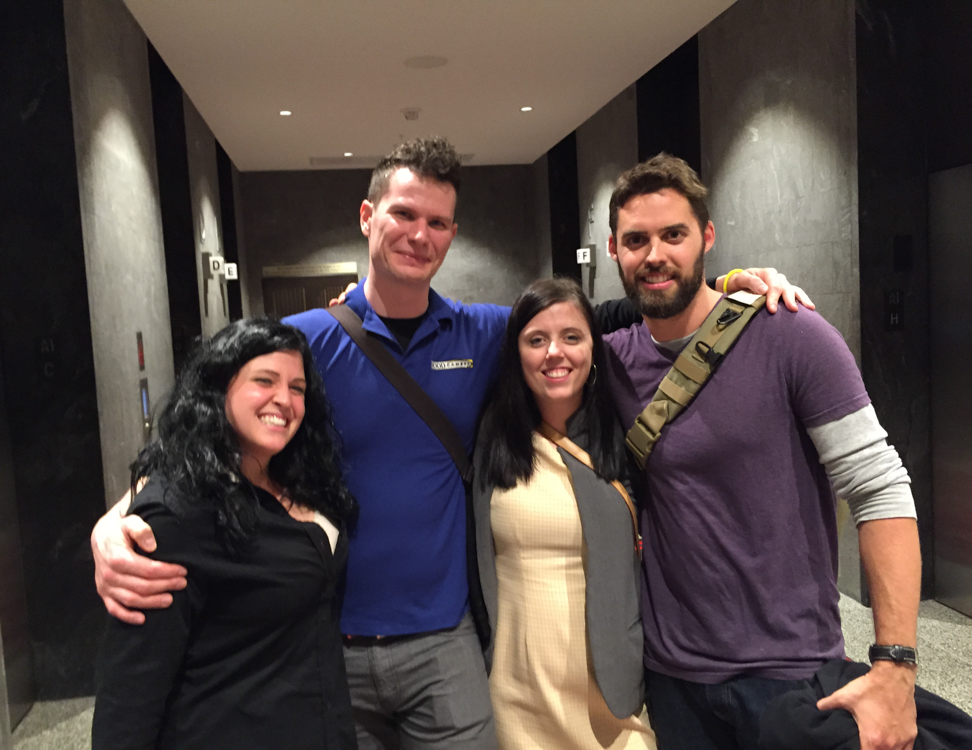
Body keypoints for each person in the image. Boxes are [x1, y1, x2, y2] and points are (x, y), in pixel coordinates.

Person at [89, 137, 808, 750]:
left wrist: (731, 285)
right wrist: (121, 518)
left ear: (452, 234)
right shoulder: (303, 343)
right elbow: (200, 428)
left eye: (437, 222)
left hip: (445, 640)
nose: (419, 234)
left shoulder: (485, 333)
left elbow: (594, 317)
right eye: (403, 214)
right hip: (328, 638)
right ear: (368, 217)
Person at [602, 154, 921, 750]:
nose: (654, 255)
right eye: (636, 240)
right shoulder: (610, 360)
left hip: (791, 672)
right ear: (614, 249)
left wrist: (895, 667)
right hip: (672, 677)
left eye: (674, 235)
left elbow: (879, 488)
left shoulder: (791, 334)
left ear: (707, 237)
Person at [91, 318, 358, 750]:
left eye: (297, 388)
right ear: (218, 390)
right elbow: (129, 697)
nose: (284, 399)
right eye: (264, 381)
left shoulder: (300, 478)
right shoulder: (176, 517)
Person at [475, 278, 654, 750]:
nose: (555, 352)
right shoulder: (491, 436)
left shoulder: (624, 429)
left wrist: (729, 284)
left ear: (594, 346)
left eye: (572, 337)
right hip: (517, 690)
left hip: (610, 685)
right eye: (536, 340)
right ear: (516, 353)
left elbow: (660, 305)